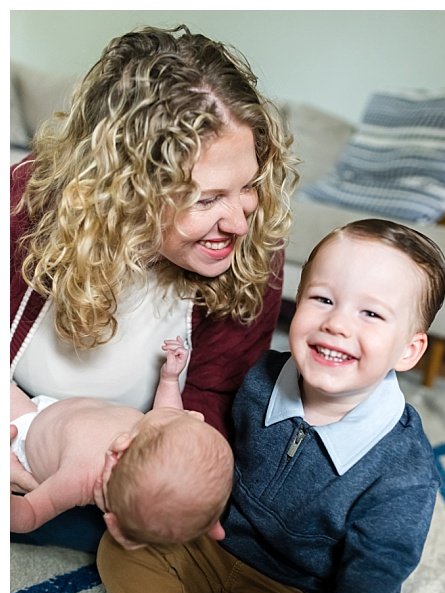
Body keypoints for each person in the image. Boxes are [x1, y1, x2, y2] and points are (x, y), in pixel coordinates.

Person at [95, 220, 445, 593]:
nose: (337, 323)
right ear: (296, 305)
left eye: (372, 314)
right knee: (121, 548)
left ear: (409, 350)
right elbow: (201, 444)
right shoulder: (259, 377)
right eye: (323, 299)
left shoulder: (404, 472)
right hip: (210, 546)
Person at [10, 25, 294, 552]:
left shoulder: (252, 253)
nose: (238, 221)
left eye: (248, 186)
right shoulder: (22, 209)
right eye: (206, 199)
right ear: (127, 190)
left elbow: (214, 401)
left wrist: (153, 489)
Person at [10, 336, 231, 546]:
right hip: (55, 413)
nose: (197, 415)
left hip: (26, 431)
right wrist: (169, 379)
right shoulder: (150, 443)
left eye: (183, 418)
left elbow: (30, 514)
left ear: (122, 446)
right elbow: (167, 412)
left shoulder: (79, 478)